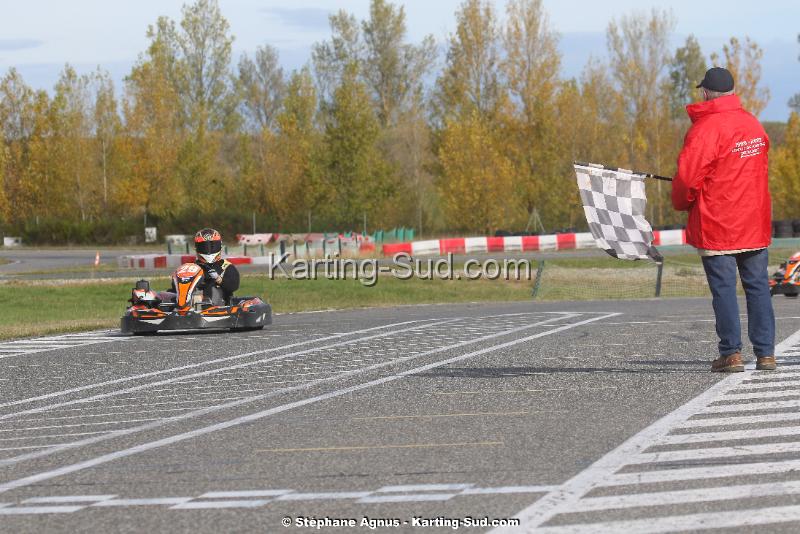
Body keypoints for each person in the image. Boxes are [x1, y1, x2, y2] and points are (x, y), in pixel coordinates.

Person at [672, 67, 775, 373]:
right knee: (758, 287)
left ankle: (731, 354)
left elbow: (688, 179)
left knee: (725, 289)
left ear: (705, 93)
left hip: (717, 223)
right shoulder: (754, 125)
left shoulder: (705, 129)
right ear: (732, 92)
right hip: (753, 221)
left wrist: (681, 202)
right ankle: (766, 353)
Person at [192, 228, 240, 304]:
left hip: (220, 307)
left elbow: (233, 286)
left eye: (212, 246)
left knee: (211, 287)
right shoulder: (192, 267)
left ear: (220, 246)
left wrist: (219, 280)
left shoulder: (226, 267)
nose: (208, 250)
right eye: (204, 246)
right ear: (197, 247)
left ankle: (206, 305)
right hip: (192, 304)